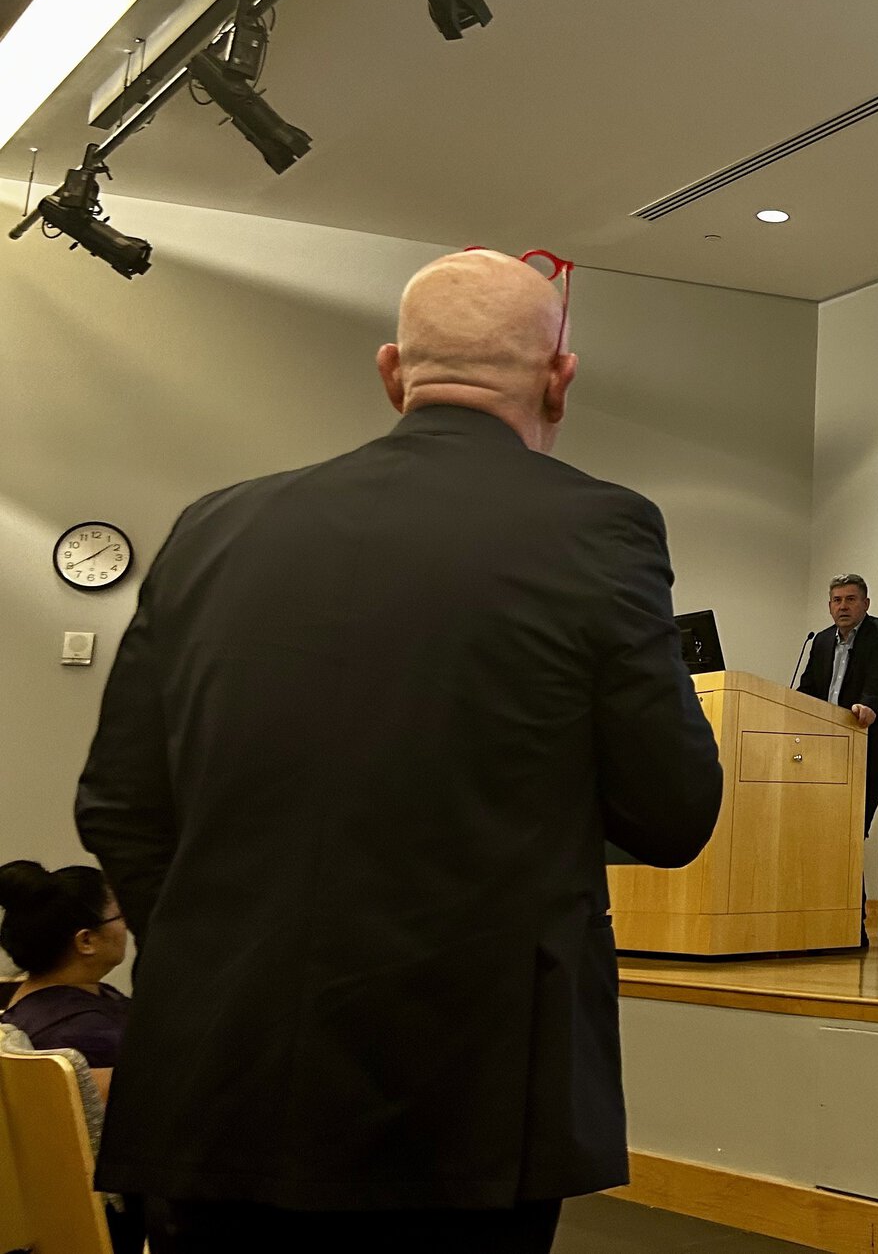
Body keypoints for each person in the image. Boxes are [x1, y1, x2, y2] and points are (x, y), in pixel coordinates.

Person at [75, 249, 724, 1254]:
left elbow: (118, 801)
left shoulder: (213, 528)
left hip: (218, 1074)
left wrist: (216, 951)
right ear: (561, 379)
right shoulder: (599, 528)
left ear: (392, 374)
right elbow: (672, 811)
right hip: (470, 1096)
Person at [0, 860, 143, 1249]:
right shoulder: (83, 1034)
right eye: (117, 914)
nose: (126, 922)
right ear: (86, 941)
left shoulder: (40, 998)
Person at [794, 574, 878, 826]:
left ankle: (852, 867)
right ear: (830, 606)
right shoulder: (821, 640)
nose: (843, 606)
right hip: (825, 745)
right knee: (823, 823)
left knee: (853, 826)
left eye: (850, 599)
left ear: (866, 603)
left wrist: (869, 704)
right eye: (837, 600)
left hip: (867, 741)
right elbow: (808, 688)